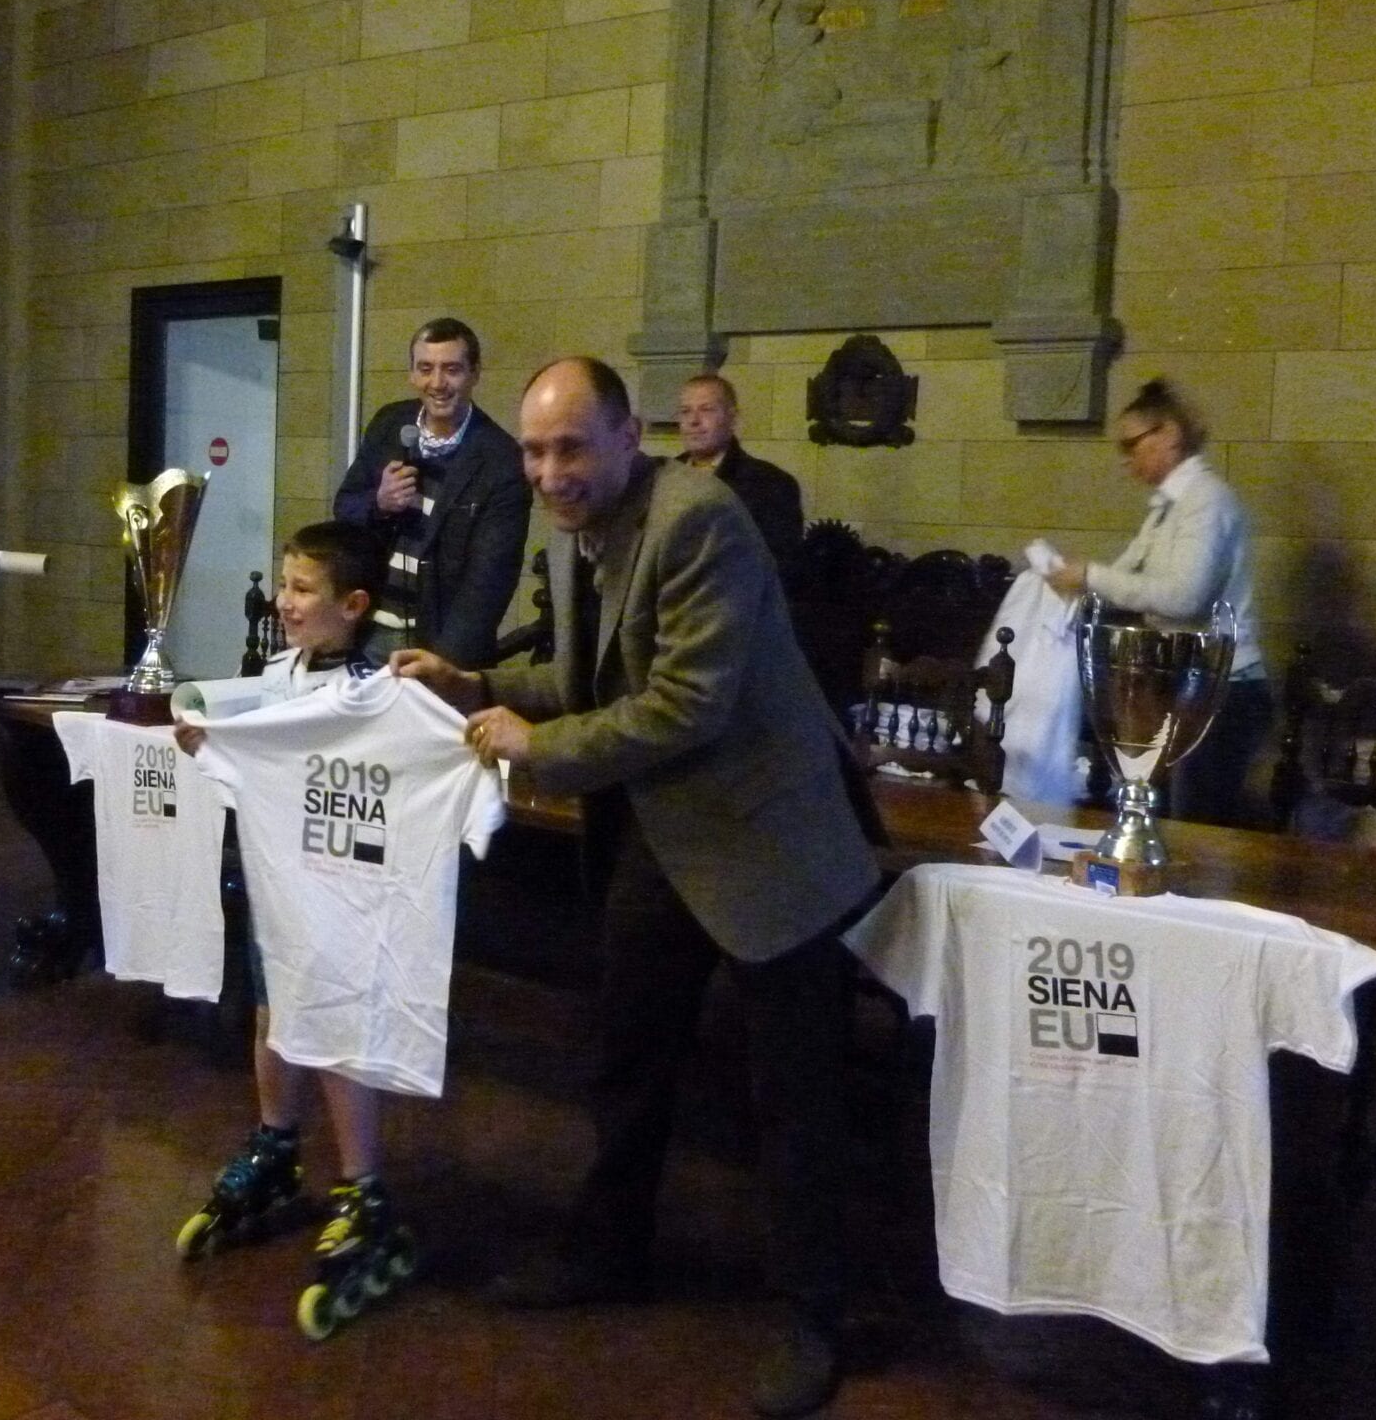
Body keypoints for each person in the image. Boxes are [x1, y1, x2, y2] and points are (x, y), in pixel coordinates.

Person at [393, 357, 883, 1420]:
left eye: (570, 447)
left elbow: (685, 704)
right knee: (626, 1054)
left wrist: (534, 746)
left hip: (766, 841)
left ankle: (816, 1315)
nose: (548, 473)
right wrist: (473, 685)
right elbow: (581, 680)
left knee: (792, 1094)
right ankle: (607, 1251)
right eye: (533, 451)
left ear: (628, 437)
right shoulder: (576, 531)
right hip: (664, 831)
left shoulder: (697, 520)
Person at [171, 522, 409, 1312]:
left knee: (336, 1027)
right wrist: (208, 742)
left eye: (304, 589)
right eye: (284, 584)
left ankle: (363, 1186)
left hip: (342, 885)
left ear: (354, 604)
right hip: (277, 879)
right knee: (273, 1014)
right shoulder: (278, 674)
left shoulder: (377, 690)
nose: (285, 601)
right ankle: (277, 1140)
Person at [1043, 378, 1271, 826]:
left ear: (1169, 433)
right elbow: (1128, 577)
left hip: (1221, 689)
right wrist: (1072, 580)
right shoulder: (1168, 507)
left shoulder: (1205, 501)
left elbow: (1184, 598)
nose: (1126, 461)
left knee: (1196, 829)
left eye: (1131, 445)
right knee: (1163, 822)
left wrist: (1089, 575)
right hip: (1182, 682)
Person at [333, 317, 530, 668]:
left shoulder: (501, 460)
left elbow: (489, 584)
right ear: (412, 374)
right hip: (363, 631)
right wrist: (379, 503)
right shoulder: (389, 423)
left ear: (474, 373)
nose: (437, 383)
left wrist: (444, 668)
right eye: (426, 369)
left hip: (435, 646)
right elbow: (344, 507)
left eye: (452, 369)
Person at [675, 372, 805, 584]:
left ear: (732, 418)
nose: (693, 421)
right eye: (685, 411)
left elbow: (778, 569)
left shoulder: (771, 484)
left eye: (707, 409)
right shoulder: (660, 478)